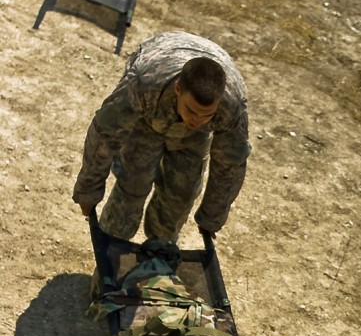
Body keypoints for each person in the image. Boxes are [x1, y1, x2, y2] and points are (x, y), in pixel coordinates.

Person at [73, 30, 251, 242]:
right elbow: (105, 133)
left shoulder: (231, 108)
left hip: (195, 130)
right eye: (192, 111)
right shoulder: (143, 85)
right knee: (132, 186)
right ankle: (111, 255)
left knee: (181, 196)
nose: (197, 120)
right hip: (149, 115)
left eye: (207, 115)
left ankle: (159, 256)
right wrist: (89, 191)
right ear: (177, 89)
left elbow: (230, 164)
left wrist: (211, 218)